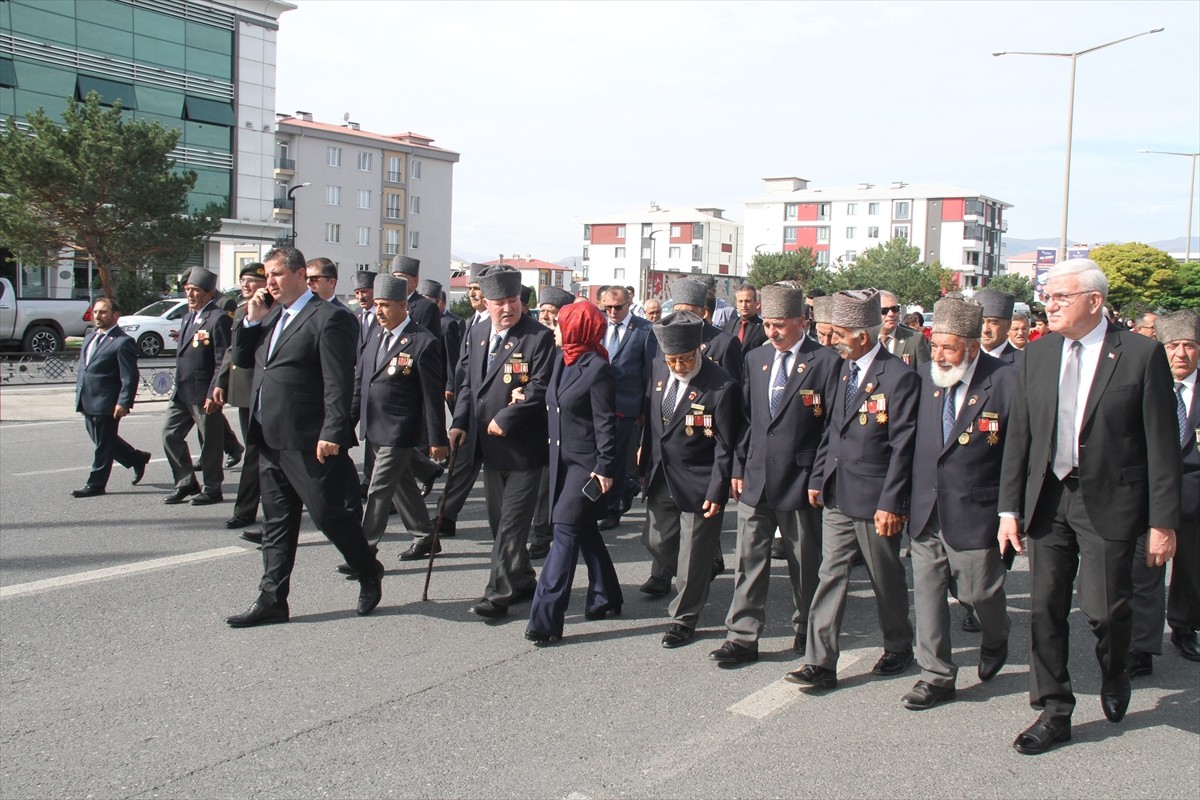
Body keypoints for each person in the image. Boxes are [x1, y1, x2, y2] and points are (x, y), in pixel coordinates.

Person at [998, 258, 1180, 755]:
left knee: (1105, 611)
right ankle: (1054, 709)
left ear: (1094, 301)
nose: (1049, 306)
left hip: (1111, 500)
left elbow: (1161, 443)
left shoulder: (1140, 354)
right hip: (1049, 498)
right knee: (1045, 608)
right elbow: (1021, 438)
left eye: (1061, 297)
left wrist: (1163, 521)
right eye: (1047, 297)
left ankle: (1115, 669)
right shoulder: (1038, 354)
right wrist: (1008, 509)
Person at [224, 244, 384, 627]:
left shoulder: (329, 317)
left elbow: (338, 380)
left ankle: (368, 569)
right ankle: (272, 600)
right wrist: (251, 321)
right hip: (269, 436)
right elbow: (242, 361)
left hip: (309, 439)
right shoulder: (270, 316)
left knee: (329, 515)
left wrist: (334, 430)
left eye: (277, 274)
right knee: (277, 523)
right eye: (267, 276)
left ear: (299, 275)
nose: (270, 282)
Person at [789, 288, 918, 691]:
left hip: (875, 498)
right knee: (830, 573)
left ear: (862, 335)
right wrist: (818, 478)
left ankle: (898, 645)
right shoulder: (843, 370)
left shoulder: (899, 377)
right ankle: (820, 662)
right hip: (837, 492)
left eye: (840, 334)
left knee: (885, 576)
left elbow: (903, 447)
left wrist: (892, 502)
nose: (833, 341)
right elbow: (832, 430)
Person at [709, 282, 839, 665]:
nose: (773, 332)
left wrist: (819, 477)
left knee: (804, 562)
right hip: (756, 477)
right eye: (767, 324)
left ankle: (808, 627)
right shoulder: (757, 358)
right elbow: (747, 419)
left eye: (780, 325)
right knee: (748, 559)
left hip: (800, 479)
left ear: (802, 321)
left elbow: (832, 429)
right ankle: (742, 636)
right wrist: (738, 466)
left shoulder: (825, 361)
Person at [902, 295, 1015, 710]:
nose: (939, 356)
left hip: (976, 510)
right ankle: (935, 676)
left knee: (980, 593)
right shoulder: (925, 378)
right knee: (928, 596)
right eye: (934, 346)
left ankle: (996, 635)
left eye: (948, 349)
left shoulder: (1005, 381)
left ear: (971, 347)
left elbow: (1017, 454)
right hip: (926, 509)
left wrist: (1010, 511)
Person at [449, 264, 556, 619]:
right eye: (500, 302)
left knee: (511, 525)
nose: (508, 308)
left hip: (525, 448)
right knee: (500, 524)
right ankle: (522, 579)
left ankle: (497, 594)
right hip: (488, 447)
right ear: (486, 303)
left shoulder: (538, 337)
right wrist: (460, 422)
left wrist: (507, 417)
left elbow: (540, 386)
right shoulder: (477, 332)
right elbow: (468, 384)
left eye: (513, 300)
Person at [524, 301, 623, 643]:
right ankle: (606, 594)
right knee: (585, 531)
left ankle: (545, 618)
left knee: (564, 534)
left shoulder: (597, 369)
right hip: (560, 462)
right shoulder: (562, 359)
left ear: (577, 329)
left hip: (586, 467)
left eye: (560, 324)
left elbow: (605, 423)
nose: (554, 328)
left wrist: (605, 467)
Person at [640, 311, 739, 647]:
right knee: (655, 540)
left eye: (685, 359)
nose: (679, 366)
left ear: (699, 350)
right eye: (673, 360)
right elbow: (652, 420)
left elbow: (726, 445)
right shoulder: (658, 369)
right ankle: (701, 570)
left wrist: (718, 489)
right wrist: (643, 457)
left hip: (700, 479)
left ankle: (684, 619)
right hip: (661, 474)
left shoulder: (720, 385)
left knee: (692, 554)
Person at [352, 273, 447, 569]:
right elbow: (361, 383)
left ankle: (363, 551)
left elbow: (432, 397)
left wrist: (437, 440)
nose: (378, 311)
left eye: (385, 305)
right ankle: (425, 535)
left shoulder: (422, 342)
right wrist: (346, 423)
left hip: (400, 430)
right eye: (377, 304)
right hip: (374, 427)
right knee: (402, 484)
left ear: (403, 306)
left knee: (378, 489)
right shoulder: (374, 336)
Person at [1129, 310, 1200, 671]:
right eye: (1173, 346)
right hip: (1150, 493)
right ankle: (1140, 646)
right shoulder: (1144, 383)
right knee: (1146, 569)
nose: (1181, 354)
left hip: (1195, 496)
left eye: (1189, 346)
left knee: (1192, 569)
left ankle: (1185, 626)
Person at [162, 267, 230, 505]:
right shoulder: (188, 317)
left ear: (209, 293)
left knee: (210, 442)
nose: (190, 294)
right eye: (188, 289)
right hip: (182, 391)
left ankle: (212, 488)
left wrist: (214, 391)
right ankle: (186, 482)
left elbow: (223, 359)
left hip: (204, 392)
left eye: (196, 290)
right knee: (170, 434)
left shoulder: (218, 318)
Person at [71, 297, 150, 497]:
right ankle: (136, 458)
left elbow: (130, 376)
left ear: (115, 316)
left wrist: (124, 402)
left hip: (106, 401)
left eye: (103, 312)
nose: (98, 316)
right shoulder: (90, 337)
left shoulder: (123, 342)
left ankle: (96, 484)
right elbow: (85, 368)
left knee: (103, 445)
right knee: (102, 439)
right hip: (87, 398)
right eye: (96, 312)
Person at [214, 262, 267, 533]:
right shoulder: (242, 310)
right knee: (256, 452)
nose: (246, 285)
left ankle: (245, 510)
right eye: (243, 280)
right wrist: (221, 381)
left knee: (257, 454)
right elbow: (233, 349)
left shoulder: (273, 309)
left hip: (264, 389)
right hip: (245, 389)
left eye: (252, 281)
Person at [598, 285, 653, 531]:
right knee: (601, 455)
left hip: (627, 404)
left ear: (629, 304)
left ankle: (612, 510)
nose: (612, 312)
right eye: (607, 307)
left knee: (617, 458)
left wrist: (644, 409)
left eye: (617, 307)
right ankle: (625, 489)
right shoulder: (600, 326)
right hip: (600, 402)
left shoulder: (644, 330)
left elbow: (649, 371)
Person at [528, 285, 577, 560]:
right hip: (530, 418)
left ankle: (541, 536)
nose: (546, 316)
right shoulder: (532, 338)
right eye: (543, 311)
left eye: (552, 312)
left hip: (555, 423)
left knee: (548, 482)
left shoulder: (567, 346)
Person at [877, 290, 930, 367]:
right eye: (884, 311)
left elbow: (925, 372)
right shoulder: (865, 340)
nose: (891, 314)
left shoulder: (915, 339)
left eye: (895, 309)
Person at [390, 255, 442, 334]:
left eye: (401, 277)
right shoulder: (388, 304)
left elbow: (431, 338)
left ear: (415, 280)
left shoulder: (427, 307)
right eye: (394, 277)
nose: (397, 281)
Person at [975, 288, 1021, 364]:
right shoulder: (966, 359)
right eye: (981, 322)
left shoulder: (1023, 362)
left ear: (1008, 326)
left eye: (993, 322)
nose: (985, 330)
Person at [723, 283, 768, 354]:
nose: (743, 305)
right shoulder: (728, 326)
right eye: (740, 301)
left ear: (756, 304)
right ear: (736, 303)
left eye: (748, 301)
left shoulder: (764, 328)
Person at [352, 270, 378, 357]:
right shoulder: (357, 313)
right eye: (357, 293)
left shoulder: (383, 314)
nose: (360, 297)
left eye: (364, 291)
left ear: (375, 290)